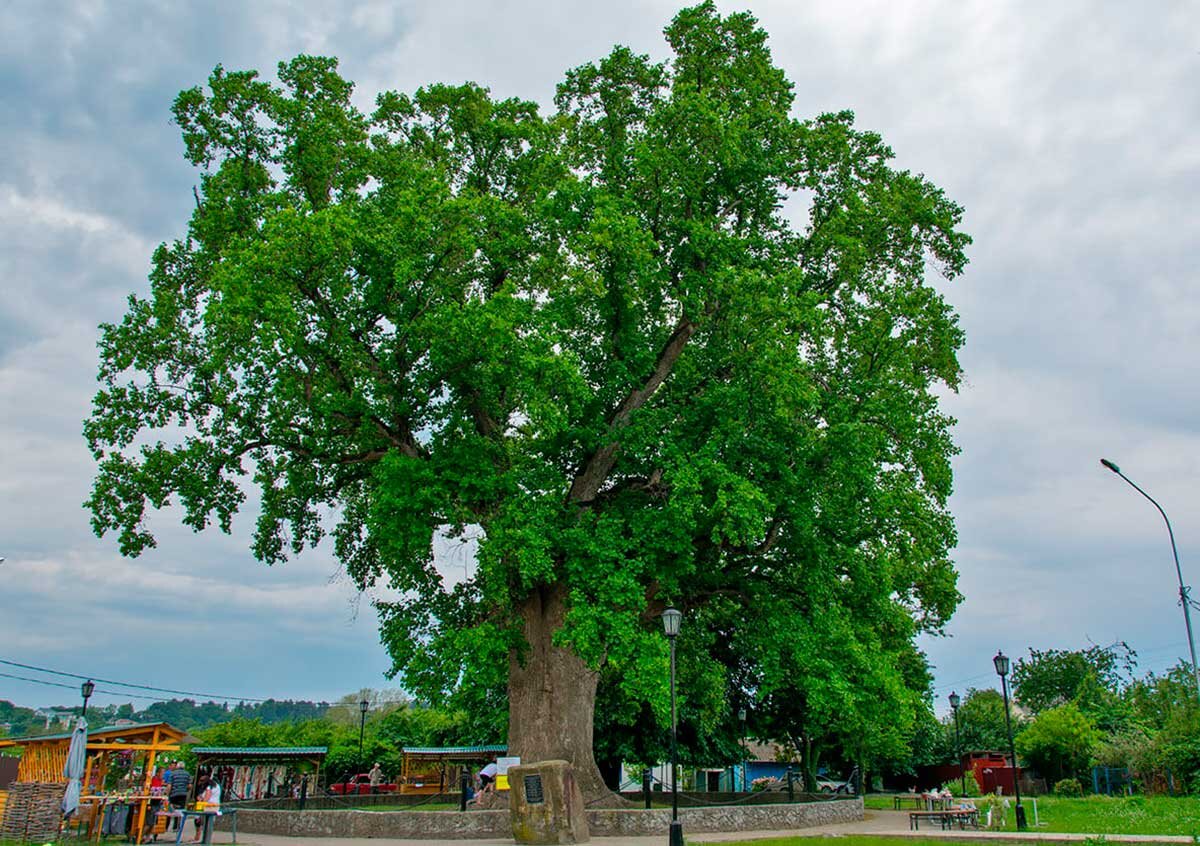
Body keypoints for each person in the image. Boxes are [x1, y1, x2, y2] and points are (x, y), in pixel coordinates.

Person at [193, 777, 221, 843]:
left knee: (197, 818)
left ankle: (198, 835)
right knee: (209, 823)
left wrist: (201, 800)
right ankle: (207, 838)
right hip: (216, 806)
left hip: (208, 806)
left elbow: (206, 798)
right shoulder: (217, 786)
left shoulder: (209, 787)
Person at [168, 761, 191, 831]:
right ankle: (178, 826)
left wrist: (167, 794)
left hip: (174, 794)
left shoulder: (173, 774)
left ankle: (171, 825)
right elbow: (189, 785)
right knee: (180, 810)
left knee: (172, 808)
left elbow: (169, 785)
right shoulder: (187, 774)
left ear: (177, 766)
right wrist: (186, 790)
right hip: (183, 794)